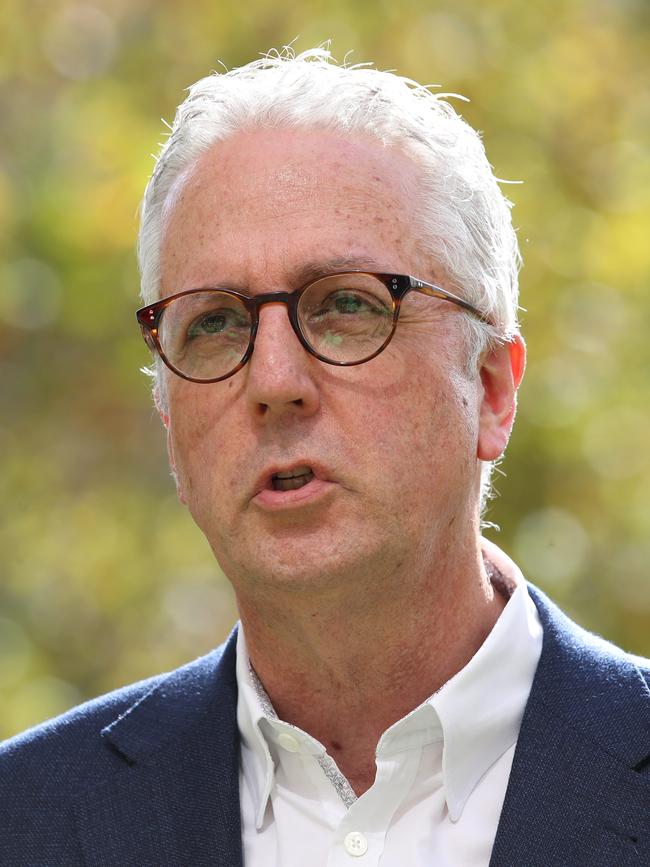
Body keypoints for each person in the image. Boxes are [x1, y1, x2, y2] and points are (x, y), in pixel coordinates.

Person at [1, 47, 648, 867]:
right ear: (169, 417)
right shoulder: (26, 821)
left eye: (346, 306)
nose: (274, 380)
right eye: (216, 324)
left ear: (490, 390)